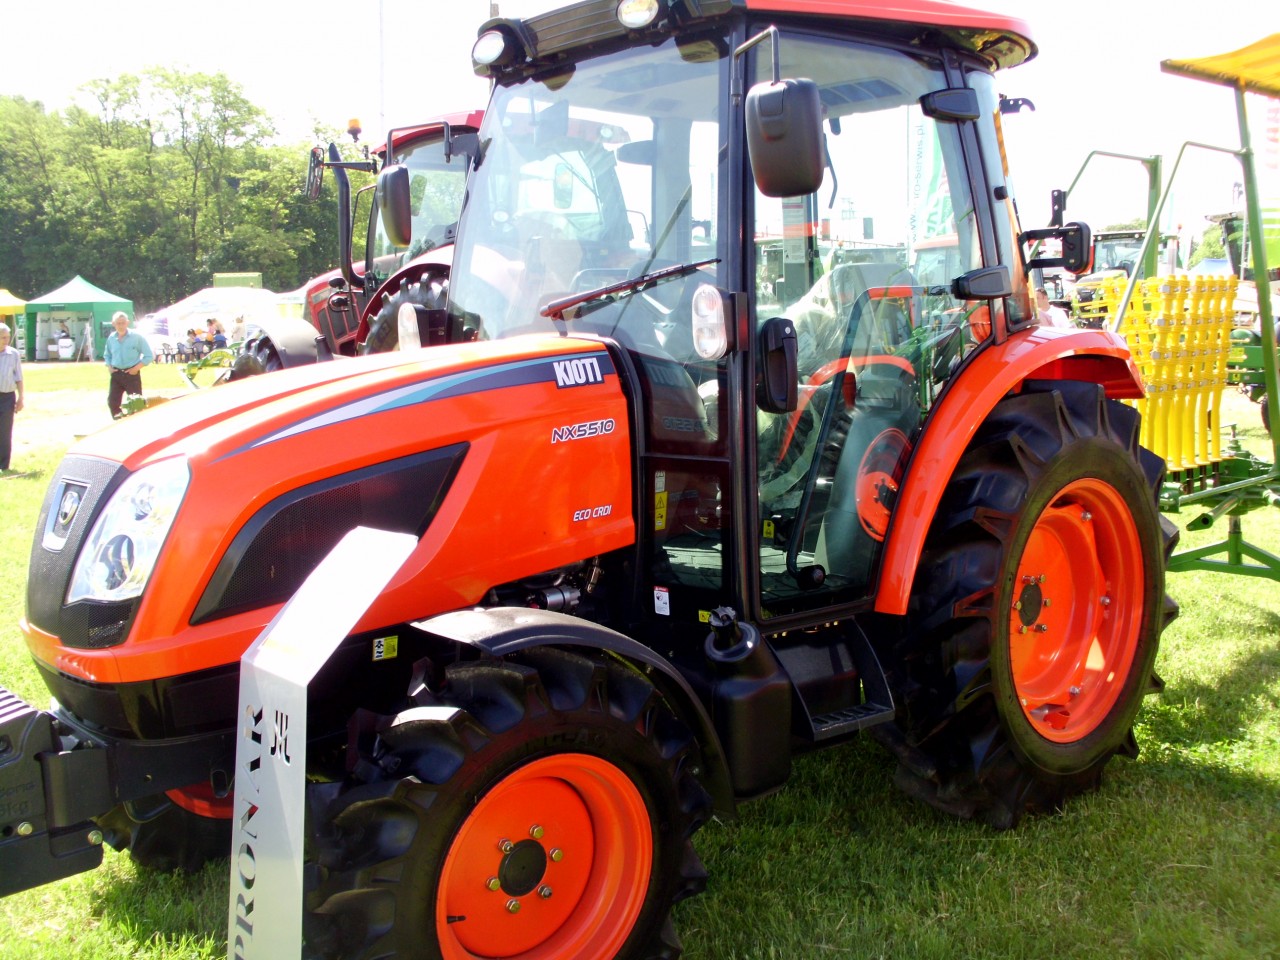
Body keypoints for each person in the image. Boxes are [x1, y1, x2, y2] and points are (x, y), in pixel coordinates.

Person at [103, 311, 153, 419]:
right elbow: (107, 355)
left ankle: (137, 423)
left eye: (123, 323)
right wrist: (109, 367)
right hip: (116, 374)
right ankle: (119, 421)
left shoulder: (137, 337)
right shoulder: (111, 338)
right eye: (118, 323)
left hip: (131, 374)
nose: (121, 326)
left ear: (128, 323)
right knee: (112, 402)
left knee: (136, 403)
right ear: (113, 324)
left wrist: (137, 368)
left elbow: (149, 356)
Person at [0, 321, 24, 474]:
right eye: (3, 337)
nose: (6, 340)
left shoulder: (13, 354)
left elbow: (19, 377)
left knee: (5, 431)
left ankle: (3, 465)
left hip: (7, 397)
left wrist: (21, 398)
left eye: (8, 337)